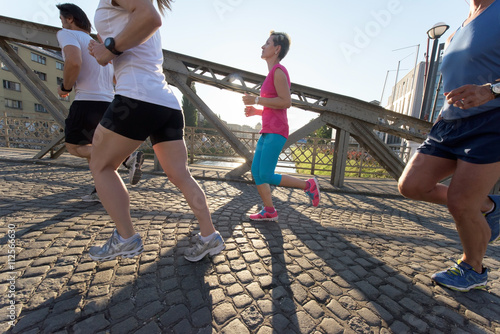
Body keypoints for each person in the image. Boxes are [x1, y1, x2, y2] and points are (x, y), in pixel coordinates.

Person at [87, 0, 225, 262]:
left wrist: (109, 48)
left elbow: (151, 18)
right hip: (165, 102)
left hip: (135, 98)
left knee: (101, 166)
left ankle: (126, 238)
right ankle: (210, 236)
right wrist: (106, 49)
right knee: (181, 175)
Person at [398, 0, 500, 292]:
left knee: (461, 203)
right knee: (411, 185)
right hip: (450, 123)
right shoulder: (459, 29)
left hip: (492, 121)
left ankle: (474, 268)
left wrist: (490, 91)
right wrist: (443, 113)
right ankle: (490, 206)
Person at [56, 3, 144, 203]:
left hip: (86, 101)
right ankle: (101, 191)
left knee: (74, 147)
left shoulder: (66, 34)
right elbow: (115, 78)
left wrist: (66, 87)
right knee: (93, 150)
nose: (61, 24)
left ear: (69, 18)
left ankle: (127, 158)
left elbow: (74, 62)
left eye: (61, 20)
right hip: (108, 103)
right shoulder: (97, 43)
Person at [242, 31, 321, 221]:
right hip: (267, 130)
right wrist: (257, 111)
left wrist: (257, 99)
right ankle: (269, 211)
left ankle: (308, 185)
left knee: (266, 174)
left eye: (267, 43)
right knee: (256, 173)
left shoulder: (278, 71)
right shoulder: (271, 74)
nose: (262, 46)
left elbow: (286, 102)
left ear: (277, 49)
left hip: (276, 132)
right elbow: (274, 108)